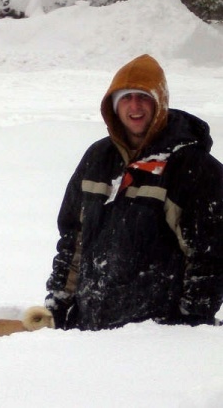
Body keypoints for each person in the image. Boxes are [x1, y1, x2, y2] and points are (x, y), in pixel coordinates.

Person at [45, 54, 223, 330]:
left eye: (143, 97)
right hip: (90, 333)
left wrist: (191, 323)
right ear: (113, 106)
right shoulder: (97, 158)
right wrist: (59, 303)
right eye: (125, 98)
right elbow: (72, 239)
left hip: (155, 338)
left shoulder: (193, 167)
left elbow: (210, 256)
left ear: (160, 103)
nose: (135, 106)